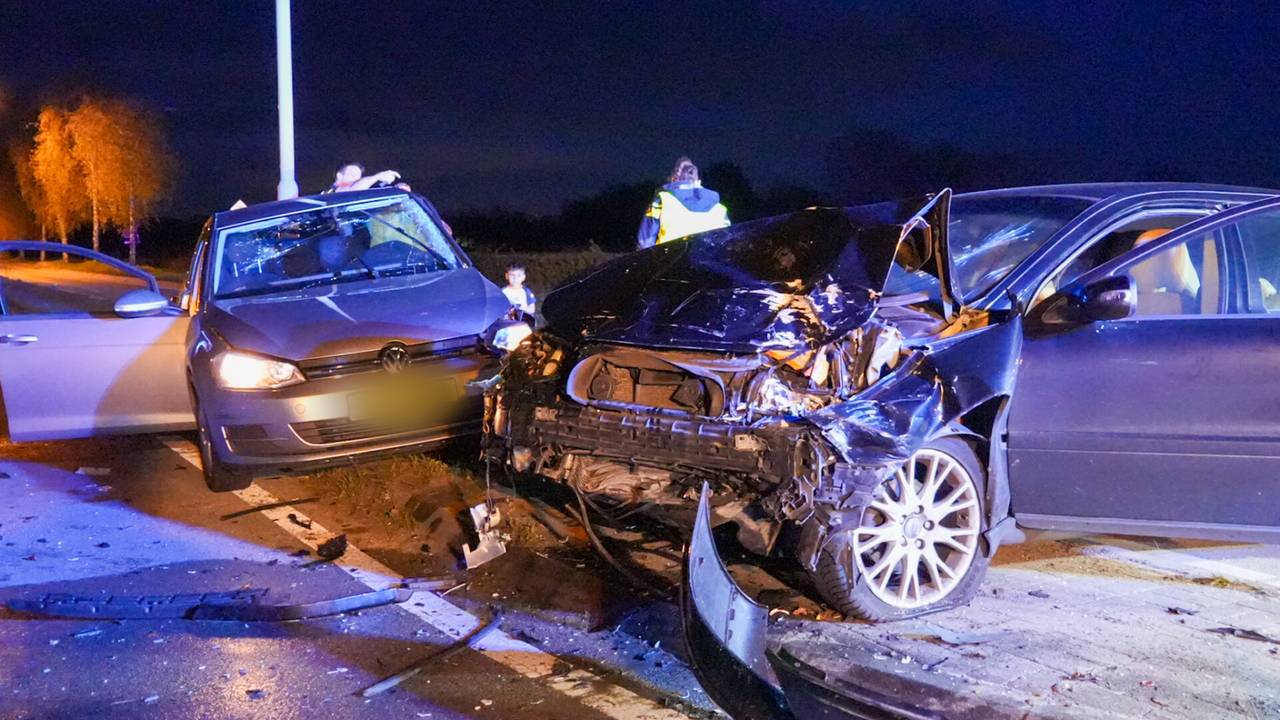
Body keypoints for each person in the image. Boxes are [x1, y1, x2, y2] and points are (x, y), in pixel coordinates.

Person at [636, 157, 730, 249]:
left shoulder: (663, 199)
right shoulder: (719, 207)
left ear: (674, 178)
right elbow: (728, 242)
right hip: (709, 262)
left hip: (672, 262)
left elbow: (645, 242)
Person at [325, 162, 402, 193]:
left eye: (359, 178)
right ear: (339, 176)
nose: (356, 180)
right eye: (353, 175)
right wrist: (377, 177)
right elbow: (352, 190)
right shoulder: (333, 192)